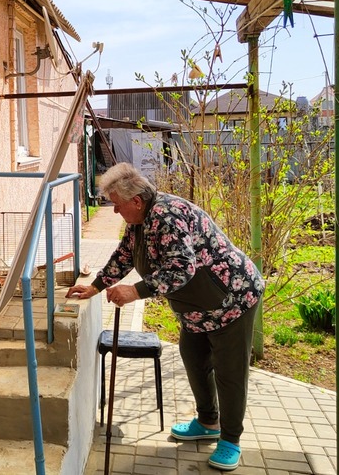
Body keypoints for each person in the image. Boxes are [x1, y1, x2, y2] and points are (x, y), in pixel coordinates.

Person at [67, 162, 264, 471]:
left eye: (117, 205)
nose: (115, 212)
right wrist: (94, 287)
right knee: (193, 358)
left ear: (135, 200)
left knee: (229, 371)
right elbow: (125, 256)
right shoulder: (140, 219)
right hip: (199, 307)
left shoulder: (166, 216)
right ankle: (208, 422)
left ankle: (230, 439)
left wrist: (135, 292)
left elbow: (181, 267)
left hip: (232, 300)